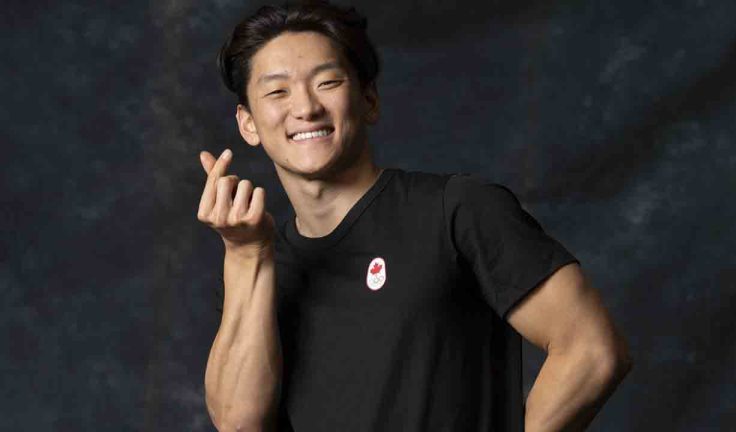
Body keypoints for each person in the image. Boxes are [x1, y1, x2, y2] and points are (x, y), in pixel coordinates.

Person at [196, 1, 632, 431]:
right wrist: (246, 255)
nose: (305, 107)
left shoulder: (456, 210)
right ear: (248, 123)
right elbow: (239, 424)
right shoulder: (258, 263)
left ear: (368, 100)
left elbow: (591, 351)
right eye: (277, 92)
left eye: (327, 82)